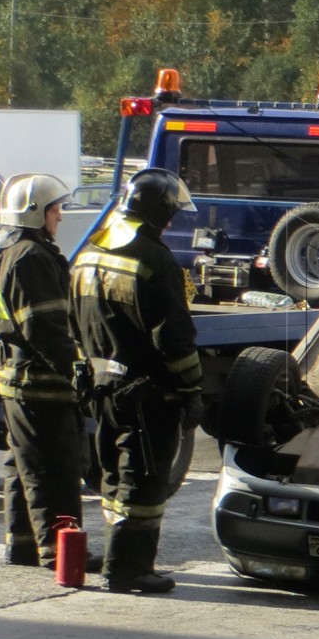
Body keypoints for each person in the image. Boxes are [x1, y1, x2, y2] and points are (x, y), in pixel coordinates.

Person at [71, 169, 202, 594]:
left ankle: (117, 559)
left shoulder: (91, 250)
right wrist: (190, 388)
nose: (172, 222)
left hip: (99, 384)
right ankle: (129, 570)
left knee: (112, 473)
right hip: (147, 392)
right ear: (160, 211)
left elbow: (72, 320)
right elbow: (175, 339)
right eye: (171, 213)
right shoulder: (155, 259)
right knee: (143, 479)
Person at [0, 172, 92, 571]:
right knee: (56, 470)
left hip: (15, 381)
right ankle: (59, 552)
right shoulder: (33, 258)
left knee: (22, 466)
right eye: (55, 209)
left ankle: (24, 545)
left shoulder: (9, 252)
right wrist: (77, 369)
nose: (60, 216)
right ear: (36, 214)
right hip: (39, 386)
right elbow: (45, 328)